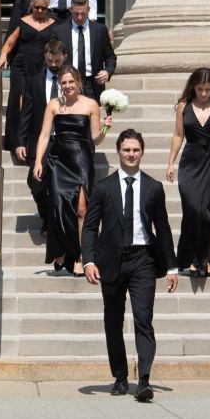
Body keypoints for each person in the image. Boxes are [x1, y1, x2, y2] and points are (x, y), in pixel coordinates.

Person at [82, 128, 176, 402]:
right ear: (118, 152)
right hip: (111, 261)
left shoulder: (154, 187)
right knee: (113, 320)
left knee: (143, 318)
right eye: (126, 150)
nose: (131, 154)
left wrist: (171, 267)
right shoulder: (103, 187)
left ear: (142, 152)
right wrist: (88, 260)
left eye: (135, 150)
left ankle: (144, 379)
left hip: (143, 259)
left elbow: (163, 228)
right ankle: (121, 376)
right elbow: (90, 227)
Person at [32, 58, 107, 275]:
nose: (67, 86)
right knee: (58, 205)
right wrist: (38, 161)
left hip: (82, 159)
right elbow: (44, 135)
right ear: (59, 84)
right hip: (58, 159)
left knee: (82, 209)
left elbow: (96, 138)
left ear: (78, 82)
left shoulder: (91, 104)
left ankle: (83, 257)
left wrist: (105, 128)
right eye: (63, 82)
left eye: (71, 81)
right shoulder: (54, 104)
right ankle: (63, 249)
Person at [165, 67, 210, 278]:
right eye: (200, 89)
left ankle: (205, 261)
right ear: (193, 87)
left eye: (208, 89)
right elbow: (178, 135)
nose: (204, 93)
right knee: (193, 210)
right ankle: (192, 257)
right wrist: (170, 163)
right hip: (191, 163)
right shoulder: (184, 106)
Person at [0, 0, 62, 161]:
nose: (39, 11)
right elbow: (9, 43)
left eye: (43, 8)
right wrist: (3, 56)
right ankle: (17, 142)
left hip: (42, 67)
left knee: (38, 103)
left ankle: (34, 143)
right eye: (36, 7)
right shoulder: (22, 21)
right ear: (32, 5)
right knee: (20, 101)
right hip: (21, 67)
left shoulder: (55, 24)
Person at [61, 0, 116, 100]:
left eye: (83, 13)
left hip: (93, 84)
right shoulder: (60, 31)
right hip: (68, 84)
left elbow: (110, 56)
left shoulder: (100, 30)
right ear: (70, 10)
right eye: (76, 14)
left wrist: (107, 71)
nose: (80, 17)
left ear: (89, 9)